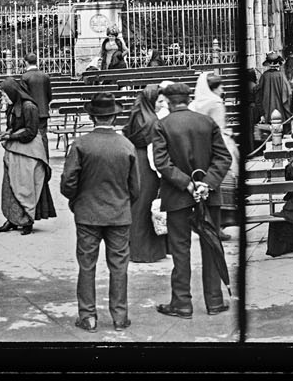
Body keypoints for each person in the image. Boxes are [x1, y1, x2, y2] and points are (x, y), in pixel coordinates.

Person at [61, 92, 140, 332]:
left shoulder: (81, 144)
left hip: (87, 213)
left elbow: (67, 182)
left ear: (92, 116)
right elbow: (135, 187)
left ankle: (88, 316)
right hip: (119, 214)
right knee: (119, 266)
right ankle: (119, 317)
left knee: (86, 265)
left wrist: (76, 199)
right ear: (115, 117)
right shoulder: (127, 146)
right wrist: (123, 202)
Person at [152, 82, 232, 319]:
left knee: (180, 249)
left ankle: (182, 303)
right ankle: (215, 301)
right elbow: (223, 157)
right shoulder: (206, 122)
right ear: (188, 99)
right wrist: (206, 183)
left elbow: (162, 162)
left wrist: (186, 183)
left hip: (177, 196)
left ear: (167, 101)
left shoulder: (162, 125)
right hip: (209, 196)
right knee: (211, 246)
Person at [0, 77, 57, 235]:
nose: (3, 99)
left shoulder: (29, 107)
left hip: (28, 151)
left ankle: (27, 221)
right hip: (15, 150)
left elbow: (30, 131)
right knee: (10, 186)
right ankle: (12, 219)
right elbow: (13, 126)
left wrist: (11, 137)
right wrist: (8, 132)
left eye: (4, 95)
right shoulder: (12, 107)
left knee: (27, 186)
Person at [122, 85, 170, 263]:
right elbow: (154, 154)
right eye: (159, 101)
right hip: (147, 168)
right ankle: (146, 251)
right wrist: (162, 174)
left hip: (135, 163)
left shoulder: (138, 115)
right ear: (151, 101)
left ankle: (134, 248)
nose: (162, 104)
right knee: (146, 207)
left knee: (138, 207)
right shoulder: (152, 122)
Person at [255, 52, 291, 130]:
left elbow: (259, 92)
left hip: (267, 105)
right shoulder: (281, 75)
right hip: (279, 105)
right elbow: (287, 91)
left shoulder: (264, 76)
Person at [22, 53, 53, 136]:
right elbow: (49, 95)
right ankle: (45, 149)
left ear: (26, 62)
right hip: (43, 110)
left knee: (32, 135)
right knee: (43, 135)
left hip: (30, 111)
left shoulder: (25, 77)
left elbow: (24, 96)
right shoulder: (45, 76)